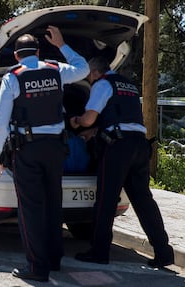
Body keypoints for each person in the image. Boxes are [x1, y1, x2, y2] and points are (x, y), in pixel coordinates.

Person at [0, 26, 89, 282]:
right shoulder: (56, 70)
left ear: (16, 56)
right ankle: (54, 259)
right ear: (37, 51)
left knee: (31, 209)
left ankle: (37, 267)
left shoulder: (13, 78)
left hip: (28, 150)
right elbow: (84, 69)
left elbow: (0, 121)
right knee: (54, 203)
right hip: (56, 148)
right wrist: (62, 44)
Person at [70, 56, 174, 268]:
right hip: (140, 145)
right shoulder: (128, 85)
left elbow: (89, 118)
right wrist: (94, 131)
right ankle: (164, 252)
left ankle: (99, 251)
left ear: (94, 73)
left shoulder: (102, 84)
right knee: (144, 201)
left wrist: (77, 122)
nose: (88, 80)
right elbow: (120, 118)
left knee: (106, 200)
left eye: (88, 76)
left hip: (118, 148)